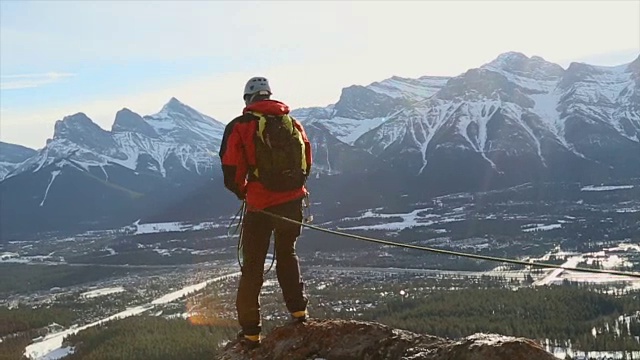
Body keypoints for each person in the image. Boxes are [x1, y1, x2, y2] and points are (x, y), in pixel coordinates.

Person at [219, 77, 312, 347]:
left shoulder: (240, 126)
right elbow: (307, 160)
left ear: (248, 99)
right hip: (293, 203)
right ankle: (298, 312)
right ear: (269, 95)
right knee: (287, 253)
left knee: (253, 267)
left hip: (260, 205)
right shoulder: (292, 123)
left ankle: (251, 332)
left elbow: (231, 170)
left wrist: (245, 191)